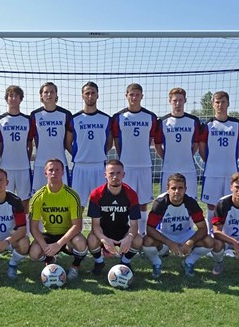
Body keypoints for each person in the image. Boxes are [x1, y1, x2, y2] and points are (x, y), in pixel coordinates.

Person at [143, 173, 213, 278]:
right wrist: (170, 243)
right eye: (173, 188)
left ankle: (188, 262)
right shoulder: (160, 203)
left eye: (180, 188)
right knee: (147, 241)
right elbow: (149, 229)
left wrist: (190, 242)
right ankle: (157, 263)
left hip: (184, 234)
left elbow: (203, 228)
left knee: (209, 241)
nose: (177, 191)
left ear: (185, 189)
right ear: (167, 189)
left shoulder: (191, 203)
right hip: (166, 235)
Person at [111, 83, 159, 233]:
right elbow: (117, 141)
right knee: (126, 201)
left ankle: (142, 234)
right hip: (127, 166)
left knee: (143, 203)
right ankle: (125, 233)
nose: (134, 97)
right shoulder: (118, 117)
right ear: (126, 96)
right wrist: (123, 157)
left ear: (142, 96)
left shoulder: (151, 117)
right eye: (131, 94)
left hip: (144, 164)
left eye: (137, 94)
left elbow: (150, 138)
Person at [28, 159, 88, 279]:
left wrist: (59, 244)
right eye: (51, 170)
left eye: (57, 170)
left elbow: (77, 226)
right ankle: (50, 259)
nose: (54, 173)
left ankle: (75, 266)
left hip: (68, 236)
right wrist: (45, 246)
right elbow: (33, 227)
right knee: (34, 253)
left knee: (81, 243)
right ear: (45, 173)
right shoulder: (38, 197)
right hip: (49, 234)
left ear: (62, 172)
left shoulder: (72, 195)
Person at [199, 91, 239, 227]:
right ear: (213, 104)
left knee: (229, 203)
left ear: (228, 103)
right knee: (211, 205)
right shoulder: (208, 125)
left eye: (223, 102)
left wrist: (234, 159)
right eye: (217, 102)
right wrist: (208, 161)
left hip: (230, 171)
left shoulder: (236, 124)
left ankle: (227, 233)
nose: (220, 105)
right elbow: (202, 146)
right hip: (212, 172)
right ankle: (211, 232)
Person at [86, 160, 143, 275]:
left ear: (123, 175)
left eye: (118, 173)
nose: (115, 176)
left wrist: (129, 237)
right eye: (111, 173)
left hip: (122, 231)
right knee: (92, 239)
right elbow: (95, 225)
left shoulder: (131, 194)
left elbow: (134, 225)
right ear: (105, 175)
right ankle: (99, 262)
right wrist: (103, 239)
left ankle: (125, 262)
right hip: (103, 231)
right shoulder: (96, 194)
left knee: (138, 240)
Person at [69, 82, 112, 207]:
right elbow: (68, 142)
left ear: (97, 95)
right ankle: (77, 227)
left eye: (93, 93)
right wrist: (79, 154)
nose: (90, 96)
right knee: (77, 206)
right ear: (82, 96)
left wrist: (99, 153)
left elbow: (109, 142)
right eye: (87, 93)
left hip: (99, 166)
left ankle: (99, 228)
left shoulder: (106, 118)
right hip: (80, 166)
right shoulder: (74, 119)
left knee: (100, 205)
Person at [154, 88, 202, 199]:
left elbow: (196, 144)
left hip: (188, 169)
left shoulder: (193, 121)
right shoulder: (162, 122)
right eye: (175, 100)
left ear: (185, 100)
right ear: (170, 101)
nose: (177, 103)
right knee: (167, 200)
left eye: (180, 100)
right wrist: (167, 158)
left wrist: (187, 156)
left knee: (191, 201)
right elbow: (157, 145)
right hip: (169, 169)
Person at [29, 82, 73, 192]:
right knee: (38, 196)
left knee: (62, 195)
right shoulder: (34, 115)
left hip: (60, 161)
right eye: (46, 92)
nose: (49, 94)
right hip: (40, 162)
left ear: (56, 95)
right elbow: (33, 137)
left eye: (52, 92)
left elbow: (68, 141)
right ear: (41, 96)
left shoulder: (66, 114)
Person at [0, 85, 34, 209]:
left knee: (25, 201)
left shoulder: (27, 120)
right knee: (5, 200)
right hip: (6, 167)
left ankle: (25, 228)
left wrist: (25, 159)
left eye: (16, 96)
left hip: (23, 167)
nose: (13, 98)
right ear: (6, 99)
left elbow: (29, 143)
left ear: (21, 99)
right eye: (10, 95)